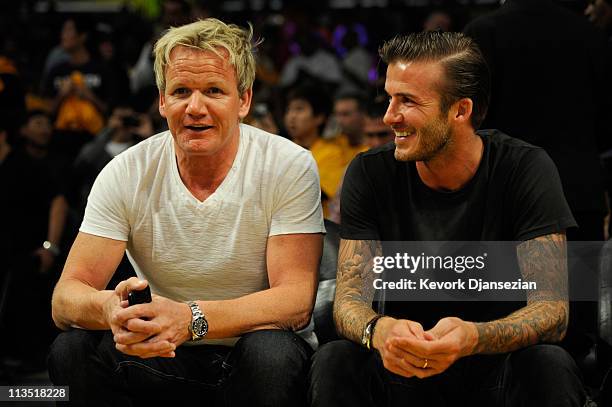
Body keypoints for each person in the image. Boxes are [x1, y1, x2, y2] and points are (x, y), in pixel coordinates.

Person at [48, 18, 324, 406]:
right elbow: (65, 299)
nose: (195, 107)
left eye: (214, 90)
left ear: (243, 100)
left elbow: (294, 302)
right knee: (71, 347)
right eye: (181, 92)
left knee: (272, 352)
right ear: (162, 101)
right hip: (161, 352)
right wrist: (110, 309)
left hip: (252, 353)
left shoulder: (288, 164)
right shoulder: (126, 170)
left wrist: (189, 319)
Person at [309, 31, 585, 407]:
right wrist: (379, 329)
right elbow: (349, 301)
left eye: (407, 101)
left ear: (460, 110)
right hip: (402, 369)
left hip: (495, 371)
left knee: (548, 362)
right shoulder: (370, 172)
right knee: (336, 358)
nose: (390, 117)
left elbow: (553, 311)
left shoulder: (524, 167)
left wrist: (473, 337)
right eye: (390, 98)